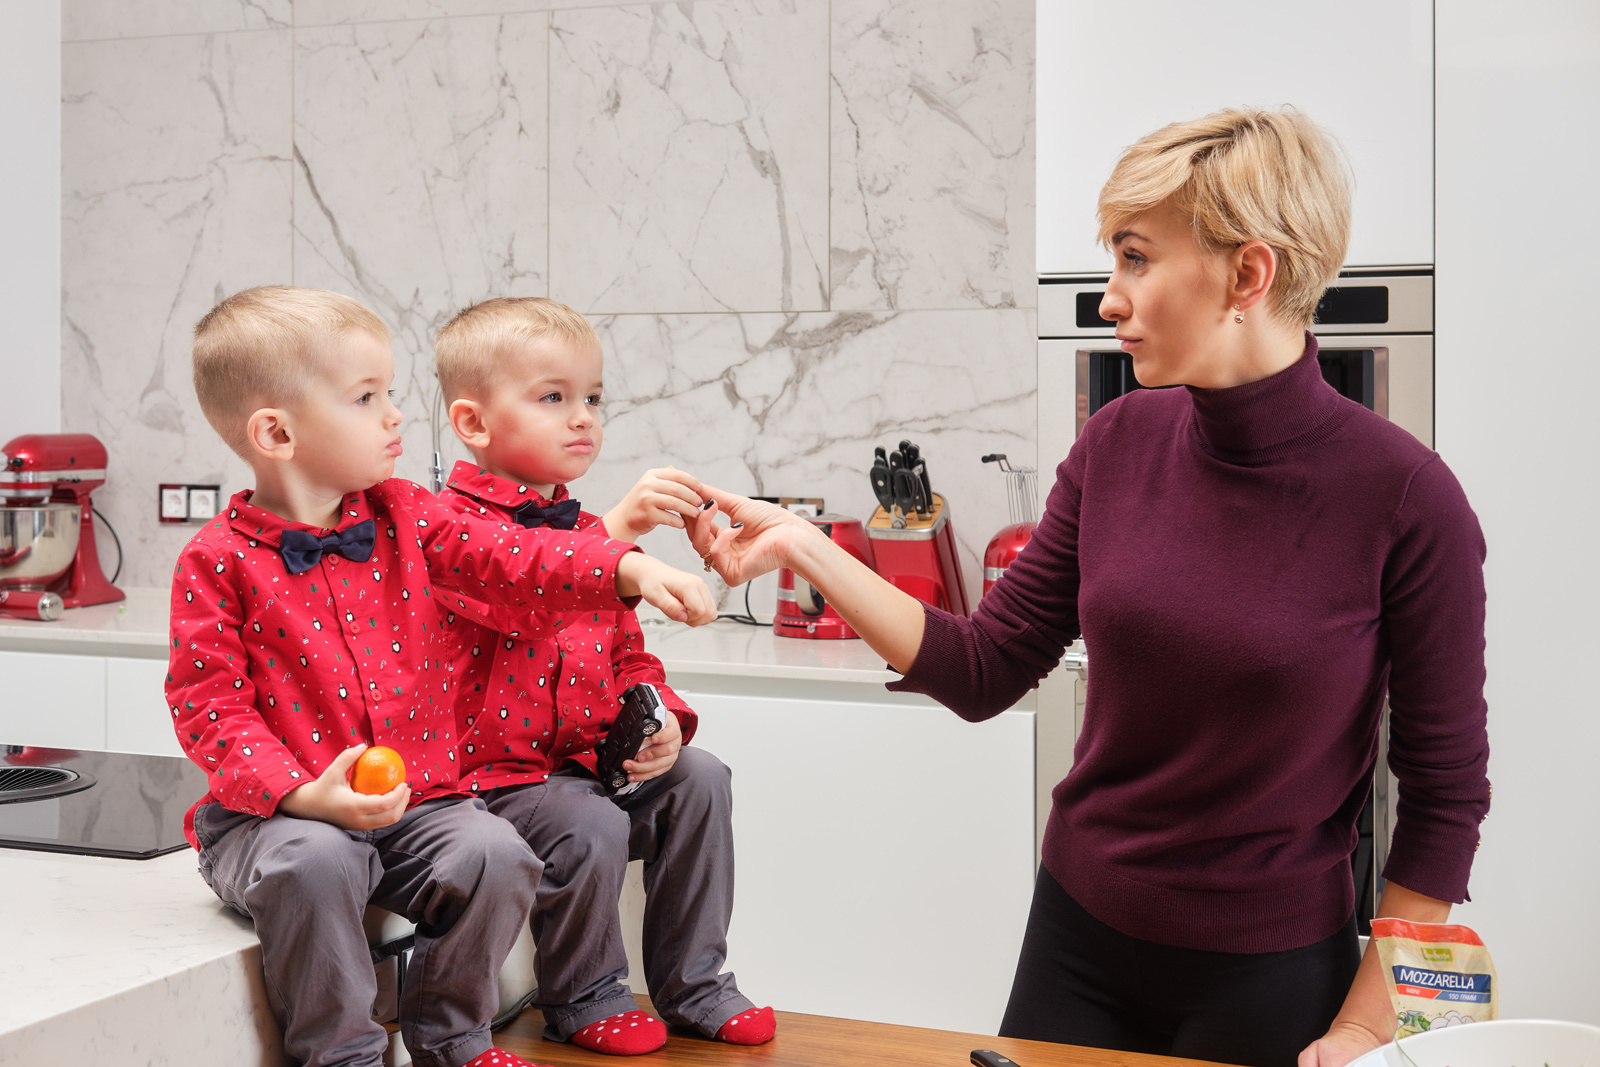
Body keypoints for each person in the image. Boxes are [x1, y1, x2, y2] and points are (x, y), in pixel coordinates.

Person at [689, 109, 1490, 1067]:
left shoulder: (1406, 498)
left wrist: (1364, 1028)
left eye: (1137, 259)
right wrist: (807, 549)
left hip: (1272, 978)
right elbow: (986, 665)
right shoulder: (1117, 444)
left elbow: (1444, 799)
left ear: (1248, 273)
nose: (1110, 298)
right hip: (1077, 943)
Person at [169, 286, 716, 1067]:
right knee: (320, 859)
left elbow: (512, 558)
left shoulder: (408, 515)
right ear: (277, 432)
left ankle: (451, 1039)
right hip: (276, 818)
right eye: (367, 397)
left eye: (388, 392)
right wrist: (300, 793)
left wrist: (619, 563)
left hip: (417, 802)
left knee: (496, 853)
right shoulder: (214, 561)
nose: (395, 413)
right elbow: (208, 707)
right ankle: (343, 1054)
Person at [430, 297, 774, 1055]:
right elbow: (520, 587)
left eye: (592, 397)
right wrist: (617, 541)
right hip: (490, 784)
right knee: (587, 819)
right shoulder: (444, 529)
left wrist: (661, 725)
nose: (582, 417)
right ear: (474, 423)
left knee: (701, 777)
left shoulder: (585, 533)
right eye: (553, 397)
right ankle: (584, 994)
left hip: (578, 766)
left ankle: (694, 981)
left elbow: (629, 658)